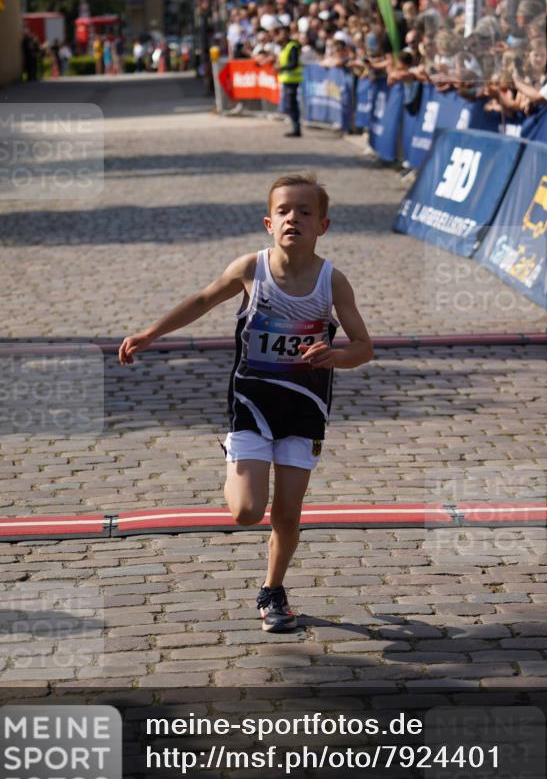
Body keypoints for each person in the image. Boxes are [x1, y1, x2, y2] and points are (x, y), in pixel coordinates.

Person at [118, 172, 373, 632]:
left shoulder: (333, 282)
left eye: (305, 212)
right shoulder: (251, 269)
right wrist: (150, 334)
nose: (293, 218)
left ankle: (273, 590)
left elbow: (364, 347)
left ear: (323, 225)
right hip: (252, 406)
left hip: (305, 410)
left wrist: (336, 356)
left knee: (288, 514)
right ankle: (235, 458)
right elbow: (201, 300)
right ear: (268, 223)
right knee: (247, 512)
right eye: (283, 211)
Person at [276, 24, 303, 138]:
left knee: (291, 105)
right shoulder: (284, 46)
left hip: (292, 80)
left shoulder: (292, 46)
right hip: (287, 80)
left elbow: (293, 64)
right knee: (290, 105)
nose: (281, 36)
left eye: (283, 33)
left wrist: (281, 68)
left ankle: (296, 129)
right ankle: (295, 128)